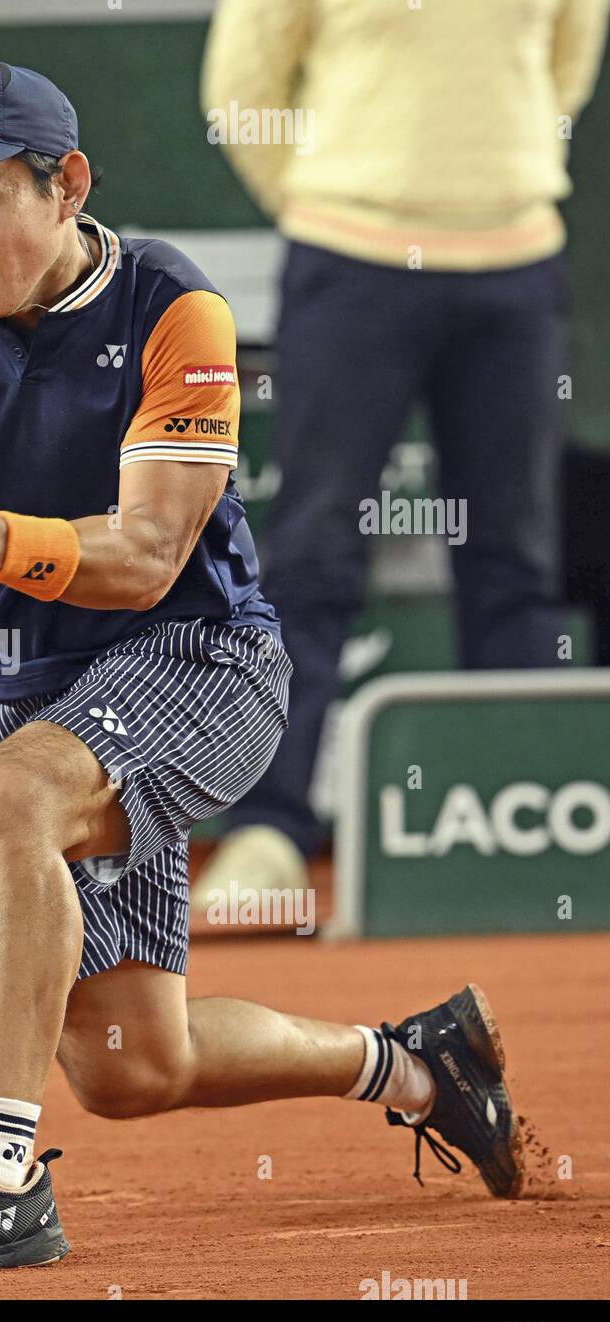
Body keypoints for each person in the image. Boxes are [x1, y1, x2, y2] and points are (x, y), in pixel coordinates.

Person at [0, 62, 521, 1278]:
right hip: (43, 680)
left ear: (67, 187)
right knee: (132, 1068)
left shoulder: (174, 308)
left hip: (202, 658)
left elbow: (150, 552)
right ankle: (423, 1064)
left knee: (9, 796)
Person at [196, 0, 610, 903]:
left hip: (518, 260)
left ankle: (522, 826)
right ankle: (267, 830)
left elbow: (564, 68)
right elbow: (240, 91)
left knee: (517, 560)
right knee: (310, 554)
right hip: (350, 260)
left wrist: (501, 181)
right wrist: (337, 199)